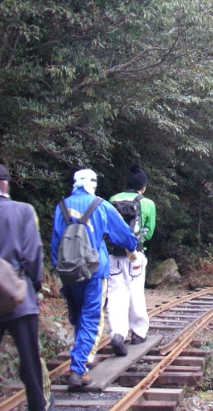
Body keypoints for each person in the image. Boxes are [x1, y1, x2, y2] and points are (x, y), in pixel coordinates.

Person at [51, 169, 138, 389]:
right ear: (93, 184)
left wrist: (59, 268)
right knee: (91, 317)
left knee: (79, 316)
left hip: (68, 272)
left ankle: (78, 359)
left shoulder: (61, 206)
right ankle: (78, 369)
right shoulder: (101, 205)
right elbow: (124, 236)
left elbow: (55, 243)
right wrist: (132, 248)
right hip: (94, 271)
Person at [0, 165, 52, 411]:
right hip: (20, 297)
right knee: (30, 363)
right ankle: (37, 407)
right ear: (5, 184)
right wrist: (35, 285)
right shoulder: (22, 211)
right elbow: (33, 254)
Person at [107, 164, 156, 357]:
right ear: (143, 187)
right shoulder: (147, 203)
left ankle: (117, 333)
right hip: (135, 254)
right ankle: (138, 332)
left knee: (116, 293)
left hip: (113, 254)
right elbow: (149, 233)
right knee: (135, 291)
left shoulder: (113, 199)